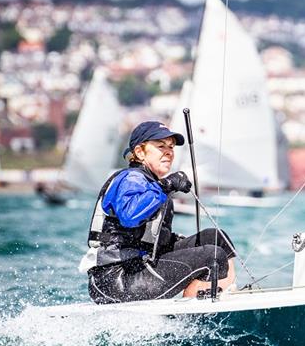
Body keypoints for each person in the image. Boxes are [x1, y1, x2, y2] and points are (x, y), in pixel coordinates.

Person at [79, 120, 237, 304]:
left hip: (140, 266)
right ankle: (198, 310)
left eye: (171, 147)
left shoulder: (153, 186)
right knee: (213, 256)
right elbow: (130, 217)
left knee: (216, 238)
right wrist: (166, 185)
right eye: (161, 146)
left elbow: (155, 241)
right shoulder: (131, 178)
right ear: (139, 152)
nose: (169, 152)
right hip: (115, 280)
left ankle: (224, 293)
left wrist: (182, 242)